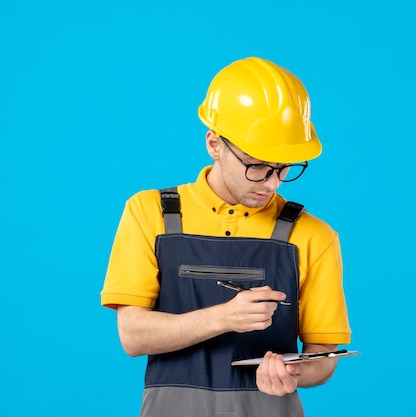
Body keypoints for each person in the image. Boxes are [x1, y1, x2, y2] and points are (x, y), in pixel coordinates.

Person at [100, 56, 352, 417]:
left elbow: (323, 356)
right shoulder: (150, 213)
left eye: (284, 168)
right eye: (257, 166)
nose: (272, 182)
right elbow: (133, 335)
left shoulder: (314, 235)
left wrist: (295, 372)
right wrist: (224, 317)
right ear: (215, 144)